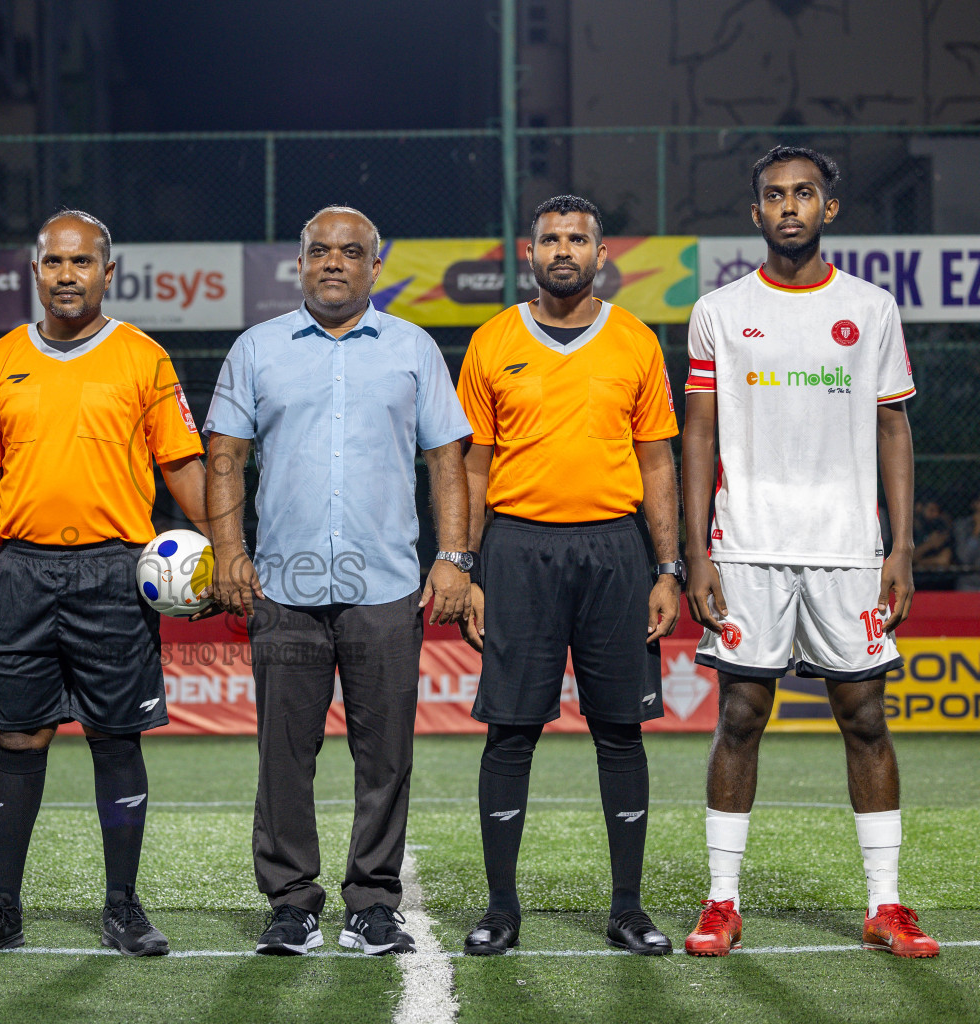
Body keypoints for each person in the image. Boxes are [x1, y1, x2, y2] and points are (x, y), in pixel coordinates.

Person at [682, 145, 937, 958]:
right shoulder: (719, 311)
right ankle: (722, 902)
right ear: (755, 214)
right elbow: (699, 434)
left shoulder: (872, 308)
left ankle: (886, 905)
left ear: (830, 208)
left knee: (864, 717)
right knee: (742, 714)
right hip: (747, 545)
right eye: (774, 196)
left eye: (805, 194)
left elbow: (893, 425)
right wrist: (697, 552)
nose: (790, 206)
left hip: (847, 549)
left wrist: (898, 547)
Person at [204, 205, 472, 957]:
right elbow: (224, 452)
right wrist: (229, 552)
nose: (333, 262)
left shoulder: (414, 349)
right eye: (319, 250)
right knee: (283, 754)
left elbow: (447, 460)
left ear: (374, 268)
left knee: (385, 756)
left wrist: (455, 555)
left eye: (350, 252)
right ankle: (291, 903)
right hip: (283, 589)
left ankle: (374, 903)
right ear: (299, 263)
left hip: (385, 587)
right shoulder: (257, 349)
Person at [0, 210, 210, 958]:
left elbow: (182, 463)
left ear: (107, 271)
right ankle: (2, 907)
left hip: (115, 571)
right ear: (37, 270)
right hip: (22, 571)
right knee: (18, 736)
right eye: (54, 262)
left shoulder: (144, 358)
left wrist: (233, 547)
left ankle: (123, 907)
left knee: (114, 737)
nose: (67, 275)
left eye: (81, 263)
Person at [455, 195, 680, 957]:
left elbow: (657, 461)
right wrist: (470, 567)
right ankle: (500, 909)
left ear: (600, 252)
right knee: (510, 732)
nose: (563, 249)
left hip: (617, 551)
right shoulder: (492, 341)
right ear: (529, 252)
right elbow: (474, 465)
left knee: (620, 733)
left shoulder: (636, 341)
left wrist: (668, 567)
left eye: (576, 238)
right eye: (550, 238)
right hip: (517, 551)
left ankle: (627, 908)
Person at [952, 495, 980, 591]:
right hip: (970, 585)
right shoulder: (962, 526)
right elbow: (964, 557)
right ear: (975, 504)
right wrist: (976, 530)